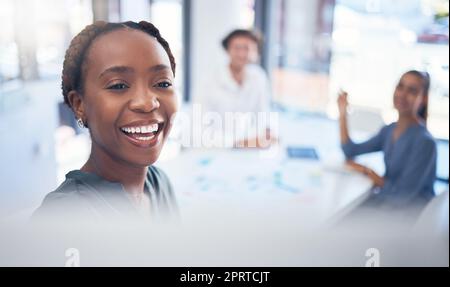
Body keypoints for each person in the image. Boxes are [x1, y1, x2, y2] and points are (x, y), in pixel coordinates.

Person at [33, 21, 178, 223]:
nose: (147, 104)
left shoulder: (159, 183)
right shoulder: (61, 217)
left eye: (163, 83)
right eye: (118, 85)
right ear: (79, 104)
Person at [337, 70, 437, 213]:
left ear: (424, 99)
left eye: (412, 91)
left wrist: (368, 172)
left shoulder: (425, 142)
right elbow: (350, 150)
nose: (402, 94)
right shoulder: (389, 130)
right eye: (400, 87)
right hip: (389, 204)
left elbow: (402, 196)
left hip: (408, 217)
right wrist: (342, 113)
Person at [199, 29, 276, 148]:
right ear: (227, 50)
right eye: (237, 48)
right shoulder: (209, 80)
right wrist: (240, 143)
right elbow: (201, 128)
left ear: (256, 52)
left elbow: (263, 115)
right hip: (217, 149)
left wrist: (267, 133)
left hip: (252, 149)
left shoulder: (259, 77)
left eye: (247, 48)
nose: (242, 53)